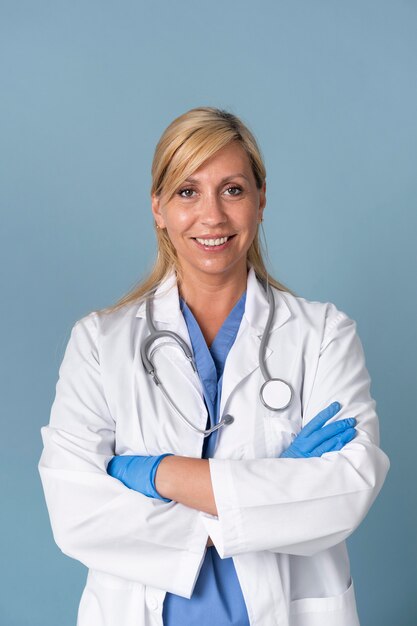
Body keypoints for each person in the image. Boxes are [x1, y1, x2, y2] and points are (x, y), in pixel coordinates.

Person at [39, 106, 390, 626]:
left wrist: (158, 474)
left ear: (260, 200)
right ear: (158, 208)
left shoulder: (323, 335)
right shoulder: (99, 343)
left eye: (232, 190)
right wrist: (274, 491)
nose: (212, 216)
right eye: (187, 191)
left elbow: (346, 489)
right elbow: (76, 512)